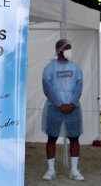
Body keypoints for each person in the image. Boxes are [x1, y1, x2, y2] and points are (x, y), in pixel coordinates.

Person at [41, 39, 84, 181]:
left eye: (70, 48)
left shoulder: (76, 68)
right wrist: (60, 104)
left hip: (73, 107)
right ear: (59, 50)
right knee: (52, 138)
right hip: (54, 108)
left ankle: (74, 170)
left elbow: (79, 87)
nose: (69, 50)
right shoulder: (49, 68)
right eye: (67, 48)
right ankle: (51, 170)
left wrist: (72, 103)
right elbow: (48, 89)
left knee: (74, 138)